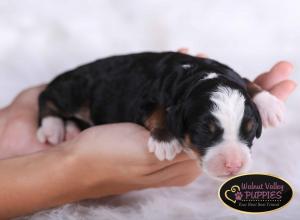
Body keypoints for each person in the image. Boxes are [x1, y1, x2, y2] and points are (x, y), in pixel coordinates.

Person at [0, 49, 296, 219]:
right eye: (207, 135)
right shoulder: (171, 108)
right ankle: (51, 109)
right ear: (179, 118)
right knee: (67, 92)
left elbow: (242, 85)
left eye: (246, 134)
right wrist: (74, 168)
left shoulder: (230, 82)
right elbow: (152, 107)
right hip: (97, 89)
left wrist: (260, 96)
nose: (234, 161)